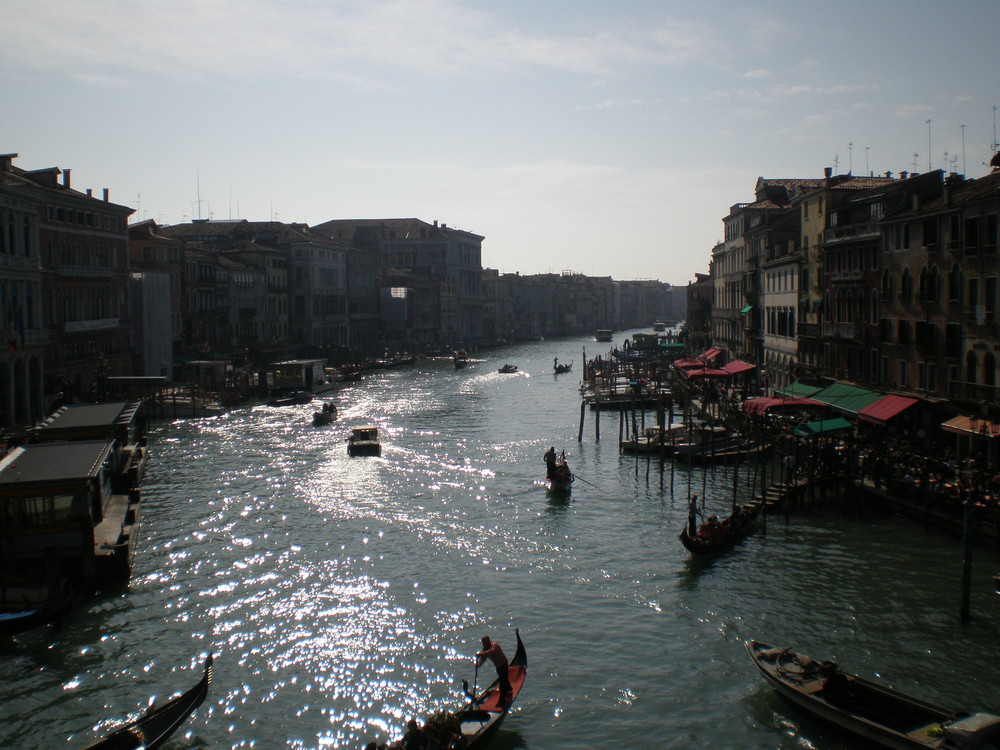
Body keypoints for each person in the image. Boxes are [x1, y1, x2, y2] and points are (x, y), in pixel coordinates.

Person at [476, 635, 511, 706]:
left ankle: (502, 701)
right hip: (498, 666)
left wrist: (480, 654)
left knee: (502, 683)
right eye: (482, 643)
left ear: (488, 642)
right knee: (503, 679)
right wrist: (478, 664)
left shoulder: (494, 646)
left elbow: (491, 652)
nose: (483, 644)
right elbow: (483, 658)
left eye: (484, 643)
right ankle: (509, 688)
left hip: (503, 664)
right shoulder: (485, 649)